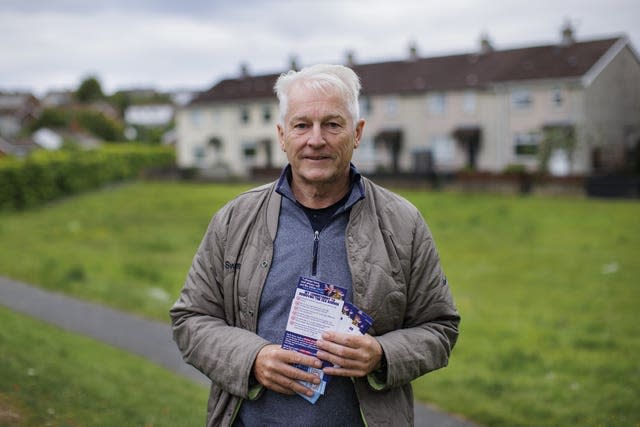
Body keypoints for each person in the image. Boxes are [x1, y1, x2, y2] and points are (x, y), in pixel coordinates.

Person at [170, 64, 460, 427]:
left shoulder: (403, 223)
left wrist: (382, 354)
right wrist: (252, 359)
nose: (316, 139)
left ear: (357, 133)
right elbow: (190, 319)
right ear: (282, 135)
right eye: (302, 124)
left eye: (333, 124)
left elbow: (440, 327)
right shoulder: (234, 219)